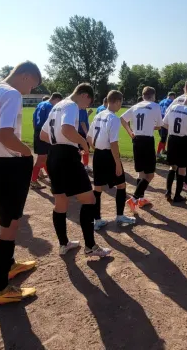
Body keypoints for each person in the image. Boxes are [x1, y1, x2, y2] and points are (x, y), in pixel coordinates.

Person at [0, 61, 41, 306]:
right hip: (8, 166)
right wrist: (27, 153)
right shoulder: (12, 93)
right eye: (31, 86)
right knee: (10, 225)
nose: (28, 92)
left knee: (4, 221)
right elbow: (6, 135)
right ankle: (1, 289)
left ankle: (9, 264)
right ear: (25, 76)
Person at [41, 82, 111, 258]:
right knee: (89, 200)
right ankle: (90, 247)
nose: (85, 107)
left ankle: (63, 244)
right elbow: (67, 129)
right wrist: (82, 143)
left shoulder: (57, 105)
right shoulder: (71, 105)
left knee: (61, 203)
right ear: (84, 95)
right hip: (67, 159)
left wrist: (63, 145)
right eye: (87, 103)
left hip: (53, 156)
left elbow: (43, 135)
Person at [88, 90, 136, 230]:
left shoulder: (98, 115)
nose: (121, 105)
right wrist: (117, 163)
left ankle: (97, 220)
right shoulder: (113, 118)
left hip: (97, 155)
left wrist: (96, 148)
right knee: (121, 185)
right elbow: (113, 143)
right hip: (109, 156)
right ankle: (120, 216)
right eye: (121, 102)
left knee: (97, 188)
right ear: (116, 101)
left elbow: (89, 138)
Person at [121, 86, 163, 212]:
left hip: (136, 139)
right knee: (150, 174)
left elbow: (122, 119)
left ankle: (140, 199)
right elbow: (160, 126)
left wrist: (130, 132)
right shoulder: (155, 106)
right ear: (152, 95)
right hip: (147, 140)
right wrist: (151, 126)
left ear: (143, 95)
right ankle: (134, 199)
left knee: (141, 172)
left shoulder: (135, 106)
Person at [163, 90, 187, 203]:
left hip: (172, 139)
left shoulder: (173, 107)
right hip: (184, 141)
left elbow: (164, 124)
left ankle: (168, 191)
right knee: (182, 169)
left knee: (172, 167)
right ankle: (177, 195)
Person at [30, 93, 63, 189]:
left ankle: (49, 176)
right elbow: (51, 123)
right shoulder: (50, 107)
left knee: (45, 157)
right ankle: (33, 180)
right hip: (44, 132)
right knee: (42, 158)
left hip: (38, 132)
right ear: (56, 99)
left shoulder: (41, 104)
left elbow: (34, 118)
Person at [156, 92, 175, 158]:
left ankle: (163, 150)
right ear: (173, 97)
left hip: (159, 120)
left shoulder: (161, 101)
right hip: (166, 121)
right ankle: (158, 153)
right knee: (163, 137)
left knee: (164, 136)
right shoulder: (172, 102)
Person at [78, 107, 93, 172]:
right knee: (85, 149)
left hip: (80, 132)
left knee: (81, 149)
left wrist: (88, 114)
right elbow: (82, 122)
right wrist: (87, 134)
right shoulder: (82, 109)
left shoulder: (81, 109)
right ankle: (85, 166)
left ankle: (84, 165)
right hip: (82, 132)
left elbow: (82, 119)